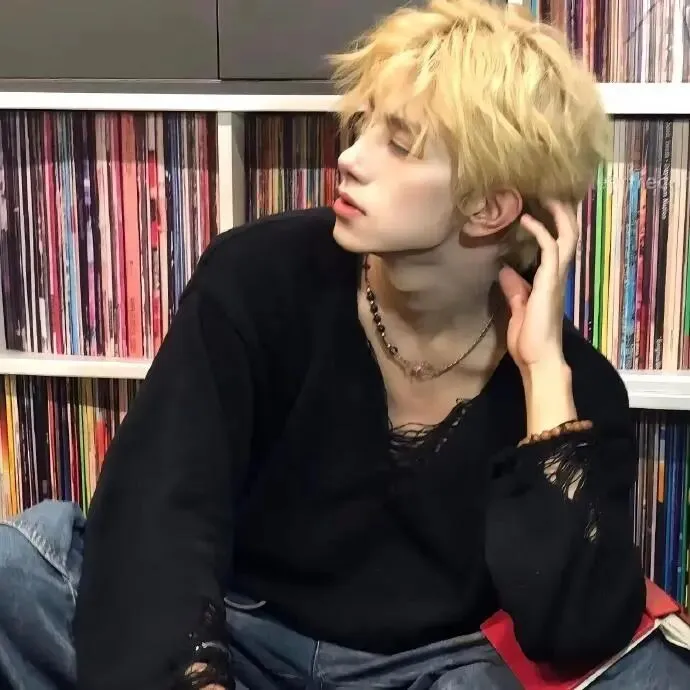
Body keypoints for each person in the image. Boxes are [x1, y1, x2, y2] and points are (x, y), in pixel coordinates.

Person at [1, 1, 689, 688]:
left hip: (436, 670)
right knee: (18, 571)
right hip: (240, 635)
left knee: (655, 673)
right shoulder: (259, 275)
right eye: (364, 127)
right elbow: (163, 511)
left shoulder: (576, 387)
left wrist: (543, 377)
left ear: (488, 208)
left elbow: (572, 633)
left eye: (402, 143)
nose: (351, 158)